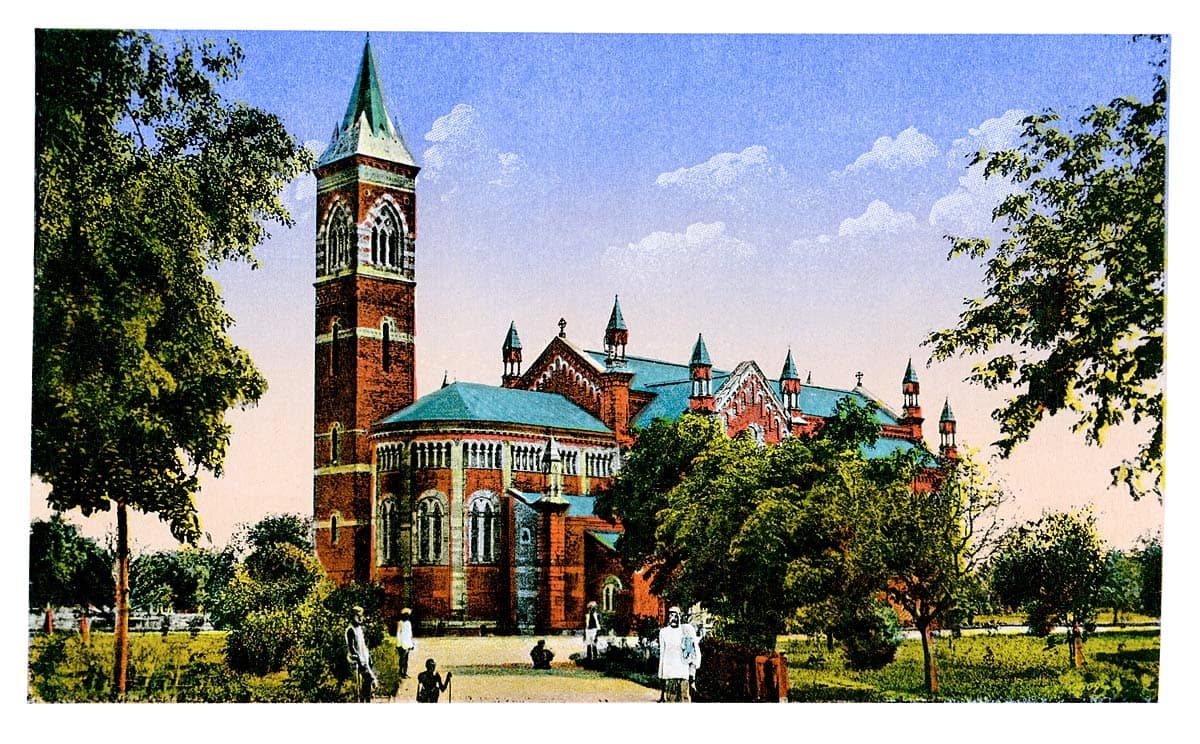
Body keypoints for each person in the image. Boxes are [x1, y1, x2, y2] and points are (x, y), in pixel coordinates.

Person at [657, 606, 697, 702]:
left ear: (680, 616)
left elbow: (691, 653)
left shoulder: (686, 631)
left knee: (684, 699)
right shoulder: (664, 632)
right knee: (671, 699)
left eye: (676, 615)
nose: (674, 618)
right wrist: (661, 675)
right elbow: (662, 654)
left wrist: (692, 675)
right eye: (671, 615)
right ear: (668, 617)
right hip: (670, 673)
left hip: (683, 673)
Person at [345, 606, 378, 703]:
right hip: (357, 659)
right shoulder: (351, 630)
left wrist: (368, 656)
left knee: (367, 682)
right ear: (352, 616)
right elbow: (351, 647)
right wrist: (359, 659)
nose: (360, 618)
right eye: (357, 616)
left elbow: (363, 645)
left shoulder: (360, 628)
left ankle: (366, 699)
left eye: (361, 616)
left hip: (364, 657)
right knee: (368, 678)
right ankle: (364, 699)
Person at [395, 608, 415, 679]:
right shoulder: (400, 623)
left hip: (407, 643)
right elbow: (398, 633)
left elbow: (410, 634)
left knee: (406, 659)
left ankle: (405, 672)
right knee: (402, 659)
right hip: (402, 643)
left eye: (408, 615)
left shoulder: (408, 623)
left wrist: (411, 644)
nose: (407, 616)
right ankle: (401, 672)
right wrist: (398, 644)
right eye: (405, 615)